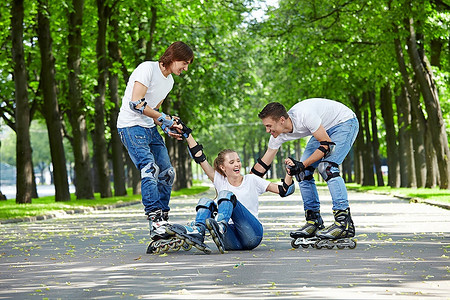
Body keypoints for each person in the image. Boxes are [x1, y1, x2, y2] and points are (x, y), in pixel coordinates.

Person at [166, 129, 296, 254]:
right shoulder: (219, 180)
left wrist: (290, 173)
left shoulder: (251, 180)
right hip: (232, 240)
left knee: (226, 195)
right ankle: (198, 232)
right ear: (223, 167)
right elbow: (200, 158)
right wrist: (187, 134)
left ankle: (221, 226)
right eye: (232, 162)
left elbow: (284, 190)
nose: (237, 164)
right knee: (205, 201)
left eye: (238, 161)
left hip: (252, 234)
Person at [117, 41, 194, 252]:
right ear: (173, 57)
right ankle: (155, 218)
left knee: (168, 172)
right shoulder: (147, 69)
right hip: (131, 127)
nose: (185, 69)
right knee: (149, 168)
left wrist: (166, 125)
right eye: (184, 63)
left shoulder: (169, 82)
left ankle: (164, 218)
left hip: (149, 128)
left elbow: (153, 111)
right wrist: (165, 117)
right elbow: (137, 103)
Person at [253, 98, 359, 248]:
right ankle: (313, 220)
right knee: (302, 173)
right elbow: (264, 163)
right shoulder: (279, 134)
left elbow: (327, 145)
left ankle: (343, 222)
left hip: (344, 122)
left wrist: (302, 164)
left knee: (327, 167)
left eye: (269, 126)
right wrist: (243, 182)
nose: (267, 130)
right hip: (323, 130)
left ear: (282, 120)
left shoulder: (305, 115)